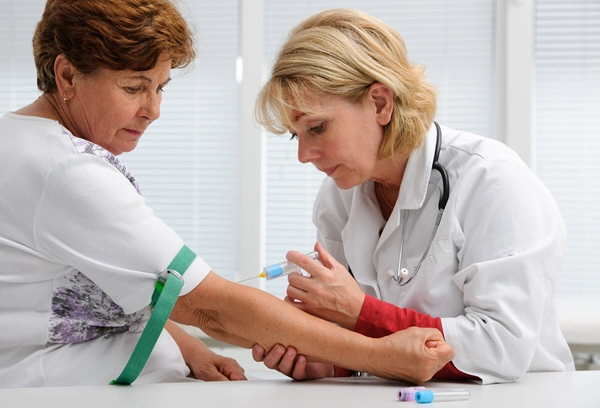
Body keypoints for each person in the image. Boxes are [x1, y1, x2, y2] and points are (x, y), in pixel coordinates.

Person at [0, 0, 455, 388]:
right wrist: (382, 356)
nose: (154, 110)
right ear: (66, 76)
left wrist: (188, 347)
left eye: (160, 88)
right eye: (134, 88)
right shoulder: (65, 169)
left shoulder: (26, 144)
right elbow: (210, 305)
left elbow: (126, 287)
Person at [252, 8, 575, 384]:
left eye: (317, 128)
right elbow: (360, 341)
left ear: (380, 104)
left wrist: (361, 312)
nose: (303, 155)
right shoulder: (337, 198)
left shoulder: (492, 180)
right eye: (297, 135)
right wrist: (329, 362)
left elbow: (499, 347)